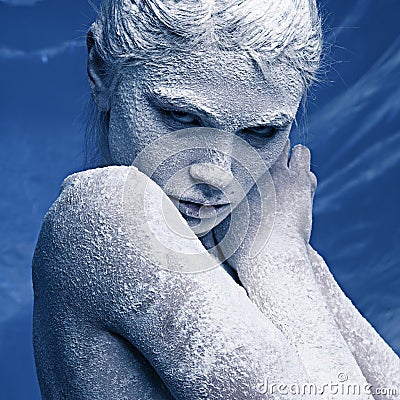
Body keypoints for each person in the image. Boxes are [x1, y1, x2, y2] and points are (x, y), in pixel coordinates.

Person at [32, 0, 400, 399]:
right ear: (101, 70)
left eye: (261, 132)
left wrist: (279, 251)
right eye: (182, 117)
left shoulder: (249, 232)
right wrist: (281, 260)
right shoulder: (107, 213)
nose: (219, 175)